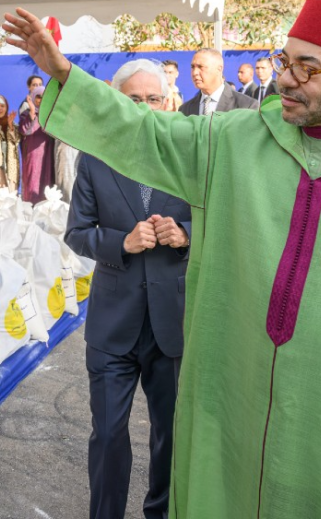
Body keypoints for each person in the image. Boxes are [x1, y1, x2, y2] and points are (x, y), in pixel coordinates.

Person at [3, 0, 321, 517]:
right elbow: (144, 133)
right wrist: (63, 73)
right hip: (235, 420)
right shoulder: (234, 141)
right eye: (285, 61)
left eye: (307, 67)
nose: (285, 79)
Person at [64, 60, 191, 519]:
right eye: (133, 99)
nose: (143, 108)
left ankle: (160, 512)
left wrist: (187, 234)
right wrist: (123, 241)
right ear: (118, 102)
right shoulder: (95, 157)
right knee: (110, 434)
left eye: (152, 99)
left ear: (166, 101)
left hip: (170, 324)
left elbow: (219, 216)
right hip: (113, 325)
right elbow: (77, 233)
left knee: (170, 436)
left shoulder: (184, 152)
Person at [179, 49, 256, 116]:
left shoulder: (246, 106)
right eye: (193, 67)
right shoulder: (185, 110)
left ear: (219, 69)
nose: (195, 72)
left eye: (200, 67)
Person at [18, 86, 55, 204]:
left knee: (47, 180)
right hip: (33, 153)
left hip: (48, 153)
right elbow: (25, 130)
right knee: (33, 180)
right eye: (38, 97)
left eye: (44, 97)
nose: (41, 99)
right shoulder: (27, 113)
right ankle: (31, 209)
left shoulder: (51, 113)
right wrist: (33, 113)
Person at [0, 95, 20, 193]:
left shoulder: (12, 123)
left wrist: (10, 125)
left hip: (10, 164)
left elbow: (16, 140)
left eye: (2, 106)